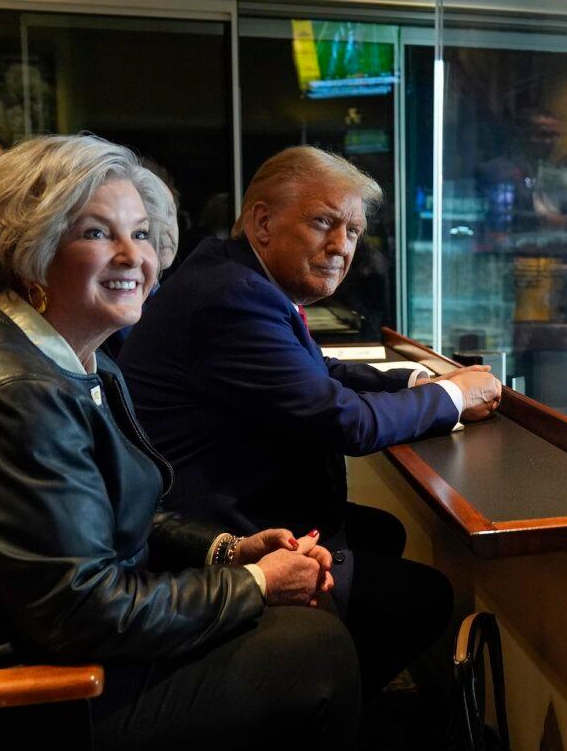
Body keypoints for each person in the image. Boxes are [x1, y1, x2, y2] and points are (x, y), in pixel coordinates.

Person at [0, 135, 360, 751]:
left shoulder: (77, 356)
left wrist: (227, 549)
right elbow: (83, 611)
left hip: (40, 652)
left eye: (141, 233)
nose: (132, 256)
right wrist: (257, 582)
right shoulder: (16, 393)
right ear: (29, 249)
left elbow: (101, 512)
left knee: (305, 625)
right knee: (315, 649)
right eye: (95, 233)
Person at [120, 146, 500, 697]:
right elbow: (345, 424)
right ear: (263, 221)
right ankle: (314, 702)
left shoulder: (232, 275)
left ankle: (327, 678)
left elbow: (314, 369)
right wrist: (452, 396)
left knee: (383, 533)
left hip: (227, 500)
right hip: (211, 533)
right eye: (324, 222)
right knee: (423, 598)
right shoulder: (231, 296)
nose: (341, 247)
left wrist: (417, 383)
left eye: (352, 231)